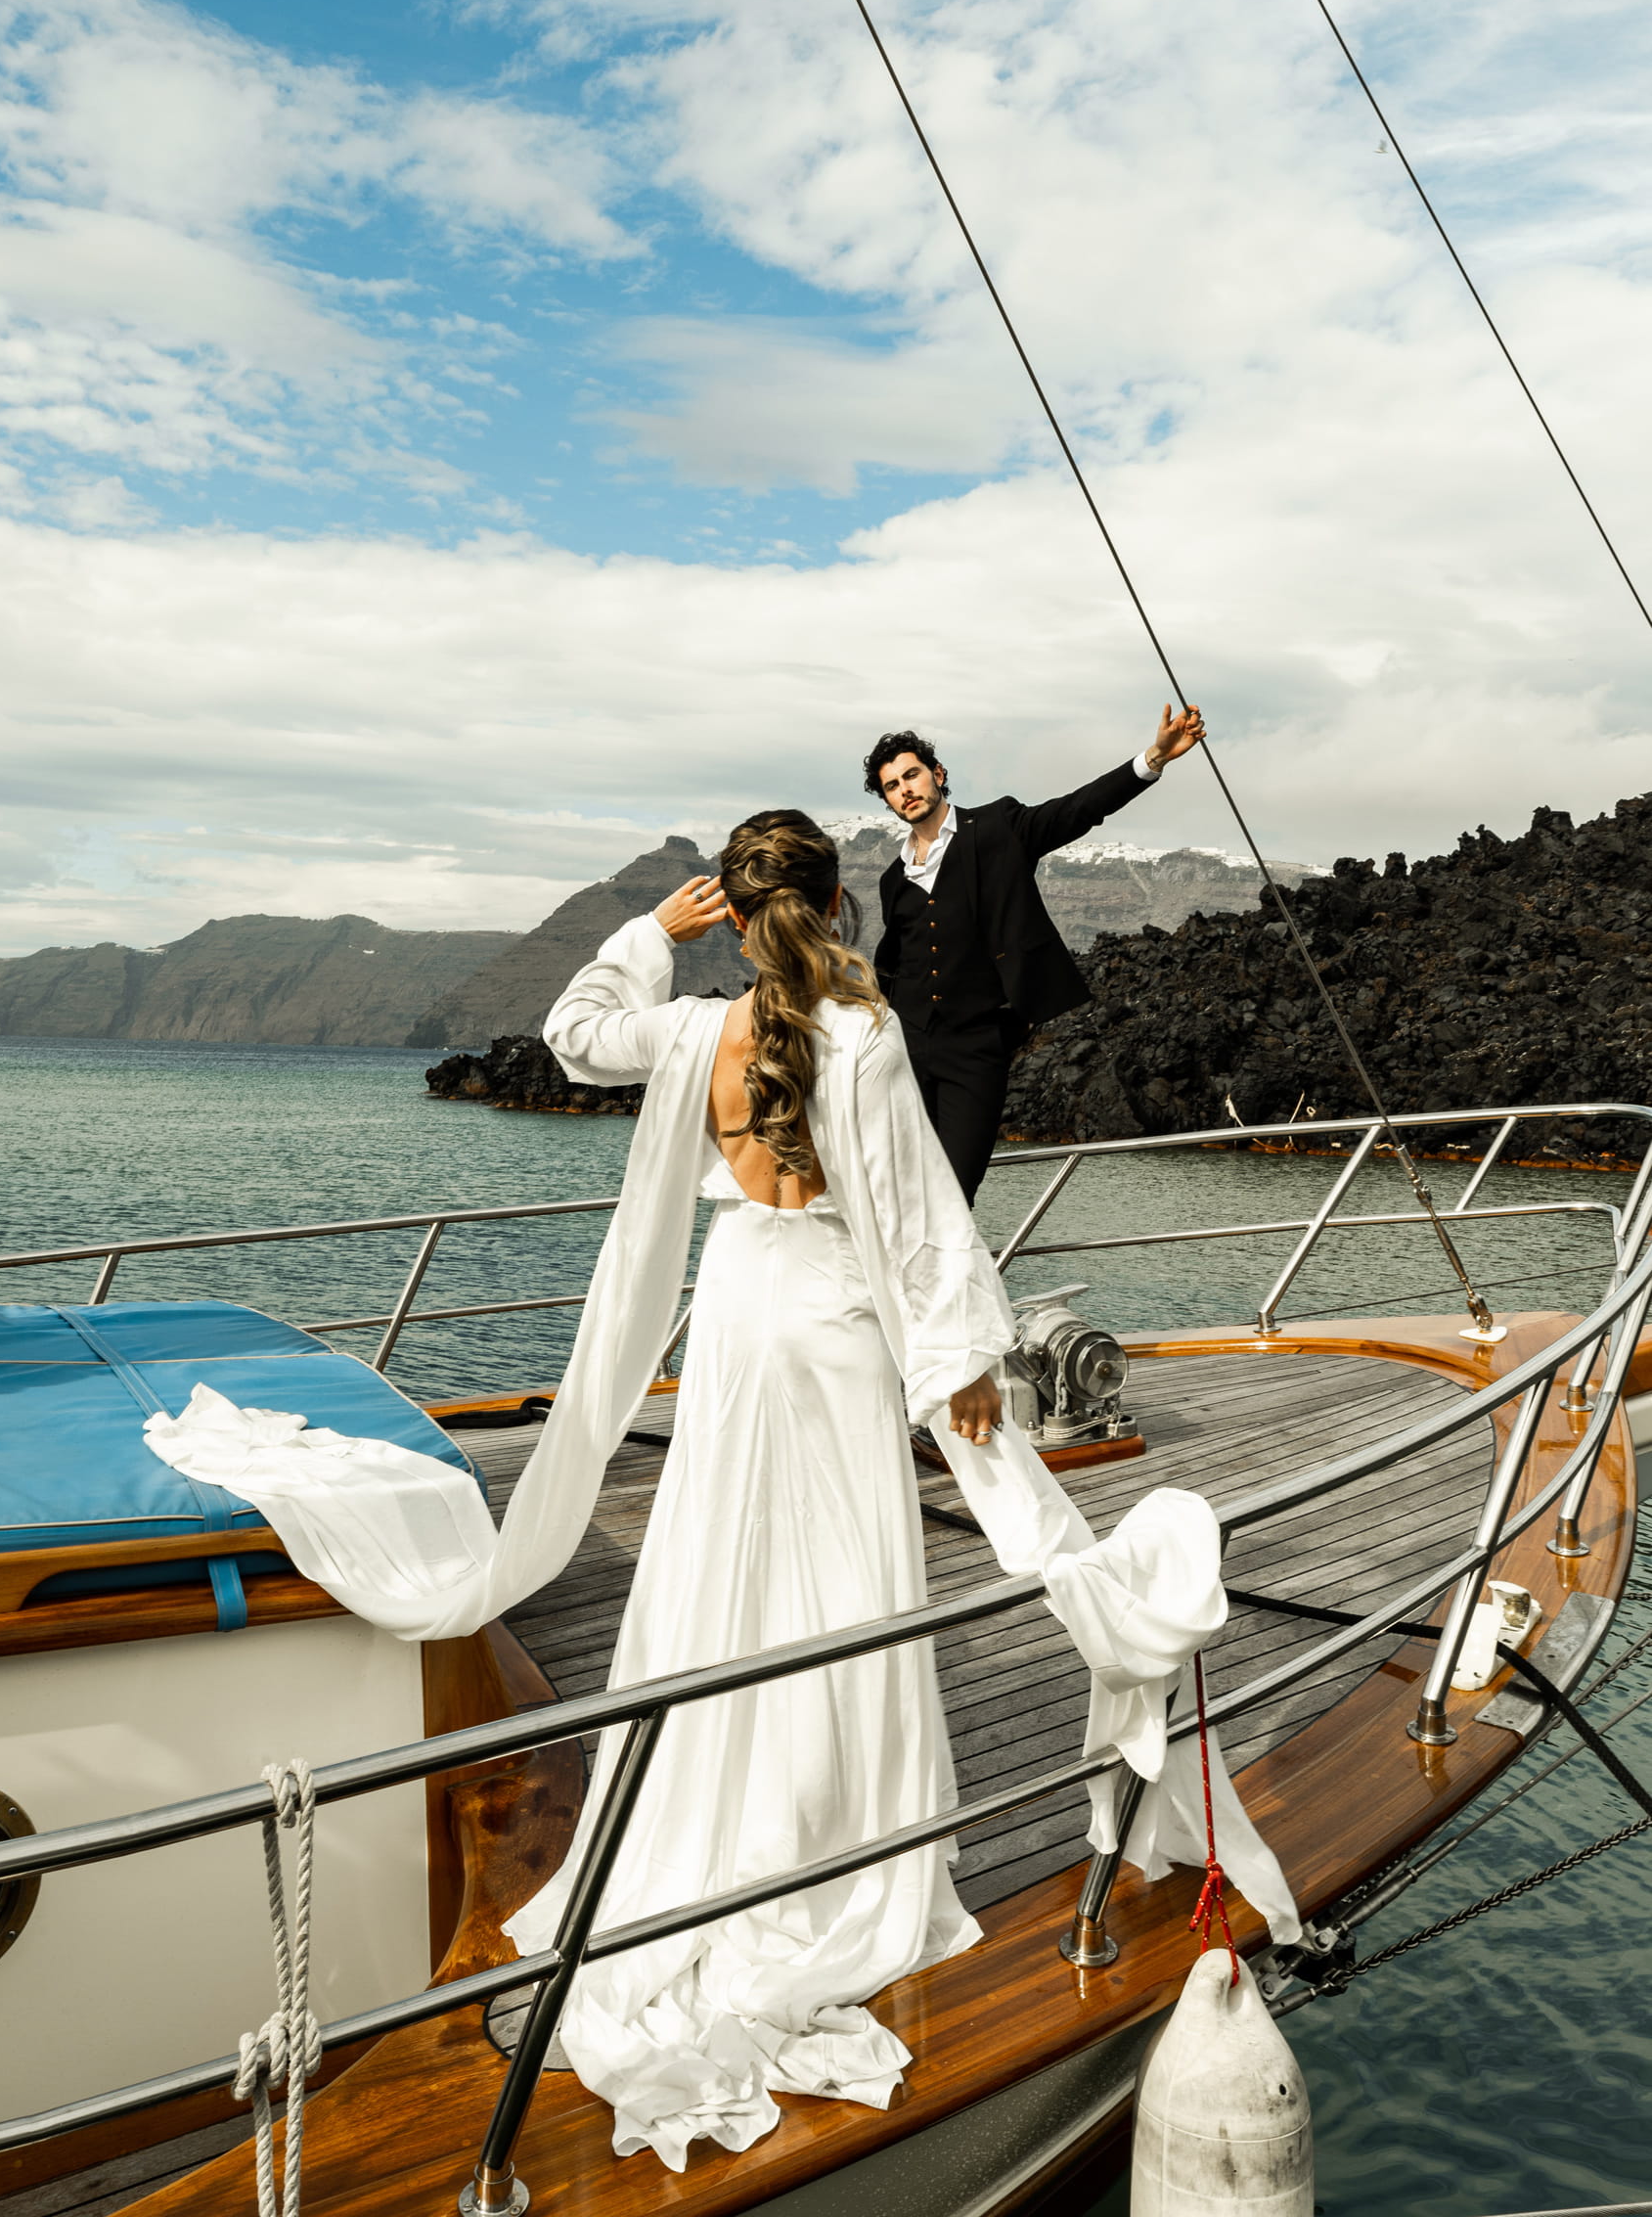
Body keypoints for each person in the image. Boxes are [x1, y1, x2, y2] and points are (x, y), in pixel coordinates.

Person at [144, 804, 1296, 2174]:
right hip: (829, 1315)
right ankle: (836, 1831)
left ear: (738, 915)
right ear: (838, 906)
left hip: (737, 1303)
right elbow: (919, 1215)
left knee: (720, 1552)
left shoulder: (693, 1029)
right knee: (842, 1564)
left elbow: (575, 1033)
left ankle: (712, 1800)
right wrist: (968, 1365)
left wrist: (650, 932)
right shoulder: (865, 1036)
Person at [865, 704, 1206, 1202]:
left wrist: (1154, 757)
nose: (906, 790)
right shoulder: (893, 878)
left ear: (937, 774)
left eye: (912, 775)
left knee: (954, 1192)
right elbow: (892, 964)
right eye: (893, 786)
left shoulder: (999, 827)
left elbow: (1077, 810)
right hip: (907, 1047)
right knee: (901, 1191)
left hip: (977, 1047)